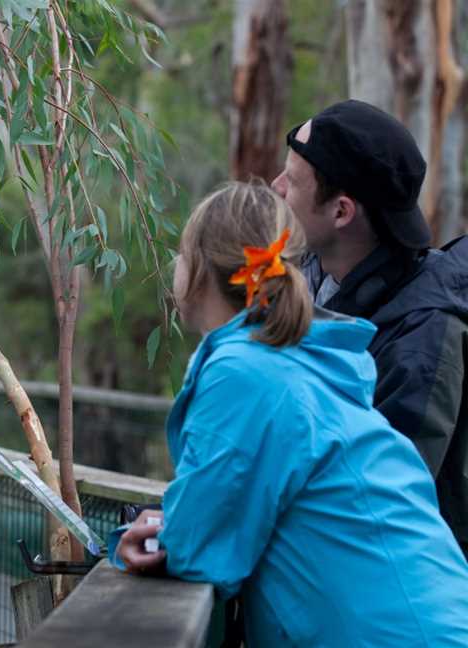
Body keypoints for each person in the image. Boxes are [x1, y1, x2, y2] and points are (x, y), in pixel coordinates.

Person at [111, 182, 468, 646]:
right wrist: (171, 523)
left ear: (200, 269)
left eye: (180, 251)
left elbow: (202, 552)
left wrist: (146, 540)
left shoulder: (244, 372)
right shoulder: (297, 361)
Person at [270, 100, 468, 556]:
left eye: (293, 181)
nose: (277, 188)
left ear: (341, 212)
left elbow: (372, 511)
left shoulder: (421, 342)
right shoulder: (318, 276)